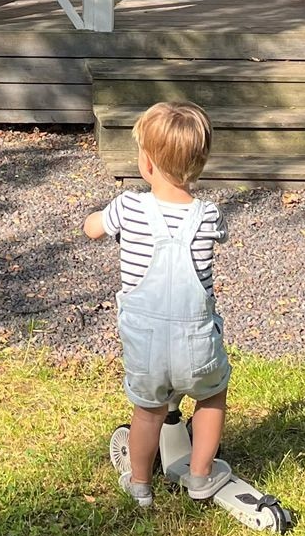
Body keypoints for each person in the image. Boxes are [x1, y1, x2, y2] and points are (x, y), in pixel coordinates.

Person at [83, 101, 230, 511]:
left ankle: (140, 483)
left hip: (146, 346)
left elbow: (94, 229)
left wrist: (93, 221)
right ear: (200, 165)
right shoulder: (209, 215)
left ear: (146, 163)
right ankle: (200, 474)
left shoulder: (128, 207)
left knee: (146, 412)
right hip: (196, 343)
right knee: (211, 397)